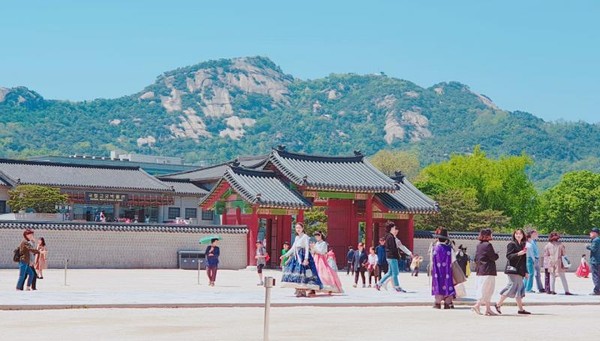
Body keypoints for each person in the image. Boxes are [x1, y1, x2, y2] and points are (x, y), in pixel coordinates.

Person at [280, 222, 322, 297]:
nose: (298, 229)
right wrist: (285, 255)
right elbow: (293, 248)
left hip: (302, 256)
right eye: (296, 228)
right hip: (297, 256)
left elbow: (306, 248)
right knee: (296, 272)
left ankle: (303, 290)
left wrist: (306, 259)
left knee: (304, 273)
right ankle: (298, 289)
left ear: (302, 228)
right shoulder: (296, 237)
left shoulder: (305, 236)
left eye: (299, 228)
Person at [495, 229, 530, 315]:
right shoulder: (511, 244)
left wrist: (526, 271)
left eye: (520, 234)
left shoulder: (523, 245)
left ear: (523, 235)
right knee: (512, 286)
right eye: (516, 234)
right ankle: (498, 304)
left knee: (519, 288)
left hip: (519, 270)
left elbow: (524, 260)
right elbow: (509, 256)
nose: (518, 235)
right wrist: (518, 253)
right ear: (514, 235)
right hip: (512, 270)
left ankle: (521, 309)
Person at [471, 228, 499, 316]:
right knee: (487, 289)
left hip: (480, 269)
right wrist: (496, 254)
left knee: (483, 288)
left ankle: (488, 309)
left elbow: (476, 258)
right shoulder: (488, 245)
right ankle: (477, 305)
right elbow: (493, 257)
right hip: (488, 270)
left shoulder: (479, 245)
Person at [375, 222, 405, 292]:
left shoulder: (387, 236)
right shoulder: (391, 237)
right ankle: (397, 287)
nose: (395, 229)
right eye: (394, 228)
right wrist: (397, 254)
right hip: (392, 257)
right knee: (395, 273)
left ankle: (379, 284)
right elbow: (392, 248)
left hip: (389, 256)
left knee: (390, 272)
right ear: (391, 228)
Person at [430, 227, 455, 309]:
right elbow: (453, 260)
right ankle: (447, 302)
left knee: (438, 284)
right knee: (447, 284)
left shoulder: (434, 248)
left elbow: (431, 261)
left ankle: (437, 302)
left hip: (437, 271)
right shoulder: (449, 249)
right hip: (447, 271)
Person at [587, 227, 600, 295]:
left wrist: (587, 246)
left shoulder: (595, 240)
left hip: (595, 261)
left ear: (595, 233)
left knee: (595, 276)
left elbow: (593, 249)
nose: (590, 234)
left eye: (591, 232)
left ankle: (597, 290)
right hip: (598, 260)